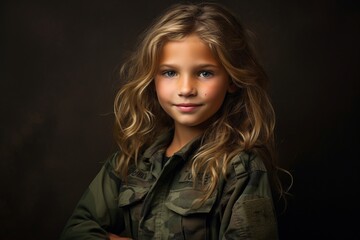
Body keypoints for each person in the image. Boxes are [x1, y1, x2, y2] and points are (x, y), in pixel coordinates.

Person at [60, 2, 289, 239]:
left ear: (232, 79)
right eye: (170, 72)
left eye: (204, 73)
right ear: (152, 78)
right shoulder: (131, 162)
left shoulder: (240, 169)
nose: (186, 89)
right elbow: (75, 231)